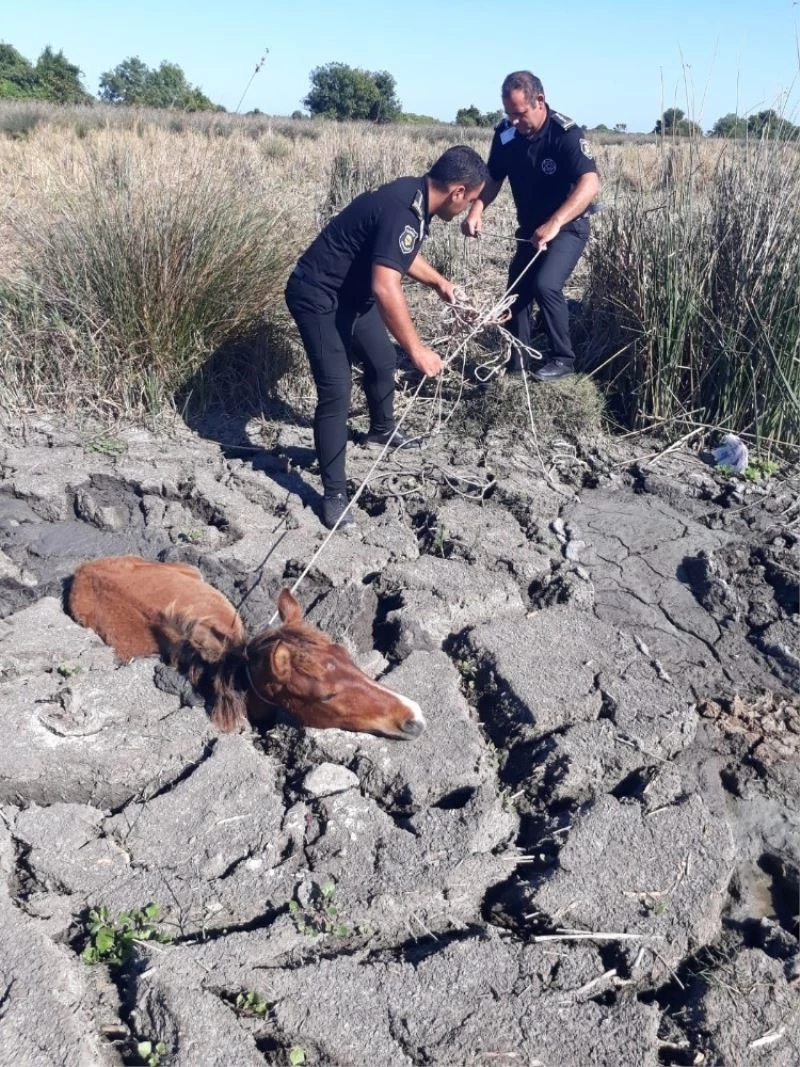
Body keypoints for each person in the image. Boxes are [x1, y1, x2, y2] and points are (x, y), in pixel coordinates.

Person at [285, 145, 488, 530]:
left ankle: (381, 431)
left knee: (381, 359)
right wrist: (417, 349)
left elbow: (397, 252)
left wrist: (440, 283)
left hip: (349, 296)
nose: (467, 209)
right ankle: (334, 495)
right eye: (471, 201)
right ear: (458, 192)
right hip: (317, 295)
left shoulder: (416, 198)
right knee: (336, 389)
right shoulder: (404, 209)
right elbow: (385, 286)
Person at [462, 71, 600, 381]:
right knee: (517, 291)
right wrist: (477, 209)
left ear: (540, 101)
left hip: (568, 227)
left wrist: (555, 222)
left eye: (520, 113)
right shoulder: (506, 135)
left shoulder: (565, 134)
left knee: (545, 284)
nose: (513, 121)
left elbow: (590, 184)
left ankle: (563, 360)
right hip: (530, 231)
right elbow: (493, 177)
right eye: (508, 113)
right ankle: (518, 362)